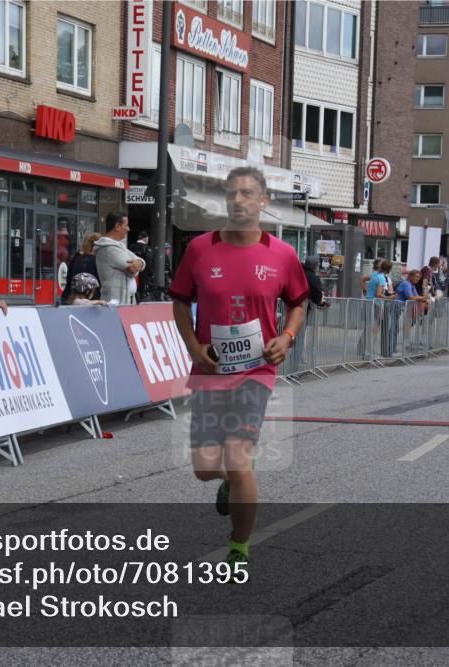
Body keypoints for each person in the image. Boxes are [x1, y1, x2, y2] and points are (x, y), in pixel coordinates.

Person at [169, 166, 308, 576]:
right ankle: (227, 480)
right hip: (210, 369)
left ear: (263, 201)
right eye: (232, 193)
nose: (238, 200)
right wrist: (194, 345)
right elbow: (179, 301)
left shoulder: (282, 255)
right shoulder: (199, 249)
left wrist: (287, 337)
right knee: (204, 468)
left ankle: (239, 546)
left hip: (256, 371)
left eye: (247, 193)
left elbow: (299, 302)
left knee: (239, 456)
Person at [94, 211, 145, 305]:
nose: (129, 229)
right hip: (115, 303)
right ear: (117, 226)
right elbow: (132, 270)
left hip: (125, 301)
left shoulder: (120, 245)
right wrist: (137, 265)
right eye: (126, 225)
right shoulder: (108, 248)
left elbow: (140, 262)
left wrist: (139, 263)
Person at [60, 233, 101, 305]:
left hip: (68, 297)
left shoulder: (77, 257)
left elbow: (69, 278)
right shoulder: (94, 261)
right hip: (86, 302)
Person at [129, 229, 155, 299]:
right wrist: (151, 273)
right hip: (143, 275)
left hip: (131, 273)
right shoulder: (146, 248)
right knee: (142, 294)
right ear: (145, 238)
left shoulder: (130, 247)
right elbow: (149, 262)